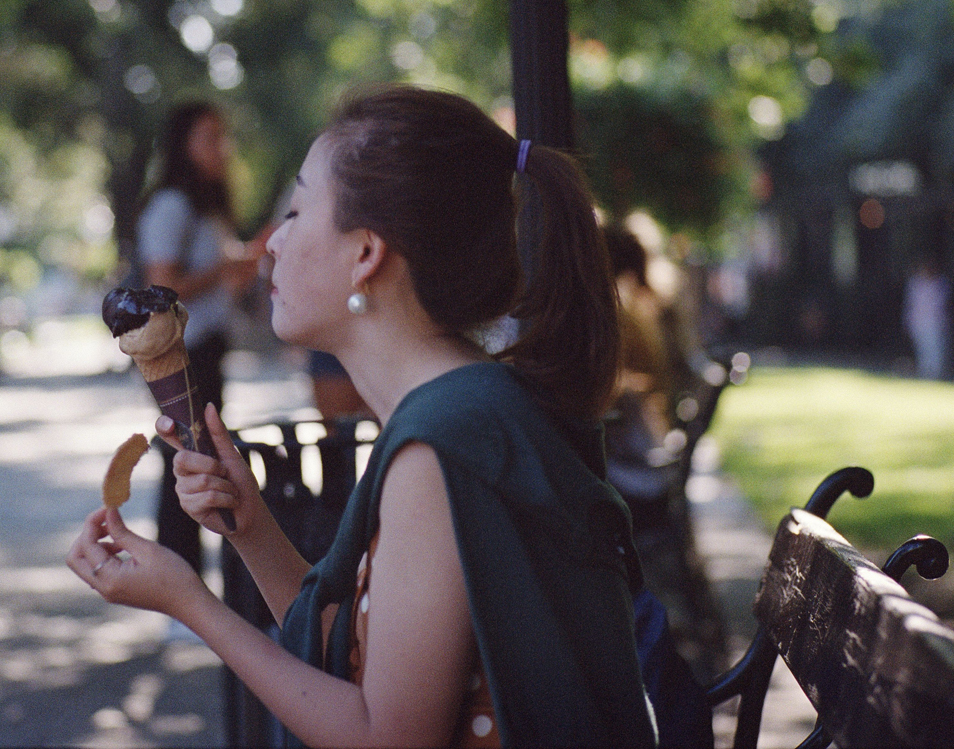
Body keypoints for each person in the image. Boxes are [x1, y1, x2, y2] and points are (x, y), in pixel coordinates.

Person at [71, 86, 657, 747]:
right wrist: (251, 527)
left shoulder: (441, 448)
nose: (272, 245)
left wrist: (190, 602)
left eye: (296, 212)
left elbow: (385, 737)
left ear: (367, 255)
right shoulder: (464, 411)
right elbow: (362, 655)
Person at [132, 101, 259, 572]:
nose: (221, 147)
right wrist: (225, 267)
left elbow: (222, 284)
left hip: (209, 346)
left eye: (222, 136)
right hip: (184, 351)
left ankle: (190, 583)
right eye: (209, 137)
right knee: (186, 467)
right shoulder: (172, 205)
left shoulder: (209, 208)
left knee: (200, 464)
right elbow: (161, 285)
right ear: (182, 146)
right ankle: (177, 581)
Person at [903, 255, 951, 380]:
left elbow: (942, 304)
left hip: (935, 322)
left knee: (935, 348)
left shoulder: (940, 284)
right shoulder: (915, 284)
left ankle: (936, 373)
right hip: (918, 322)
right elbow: (910, 304)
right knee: (922, 348)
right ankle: (925, 372)